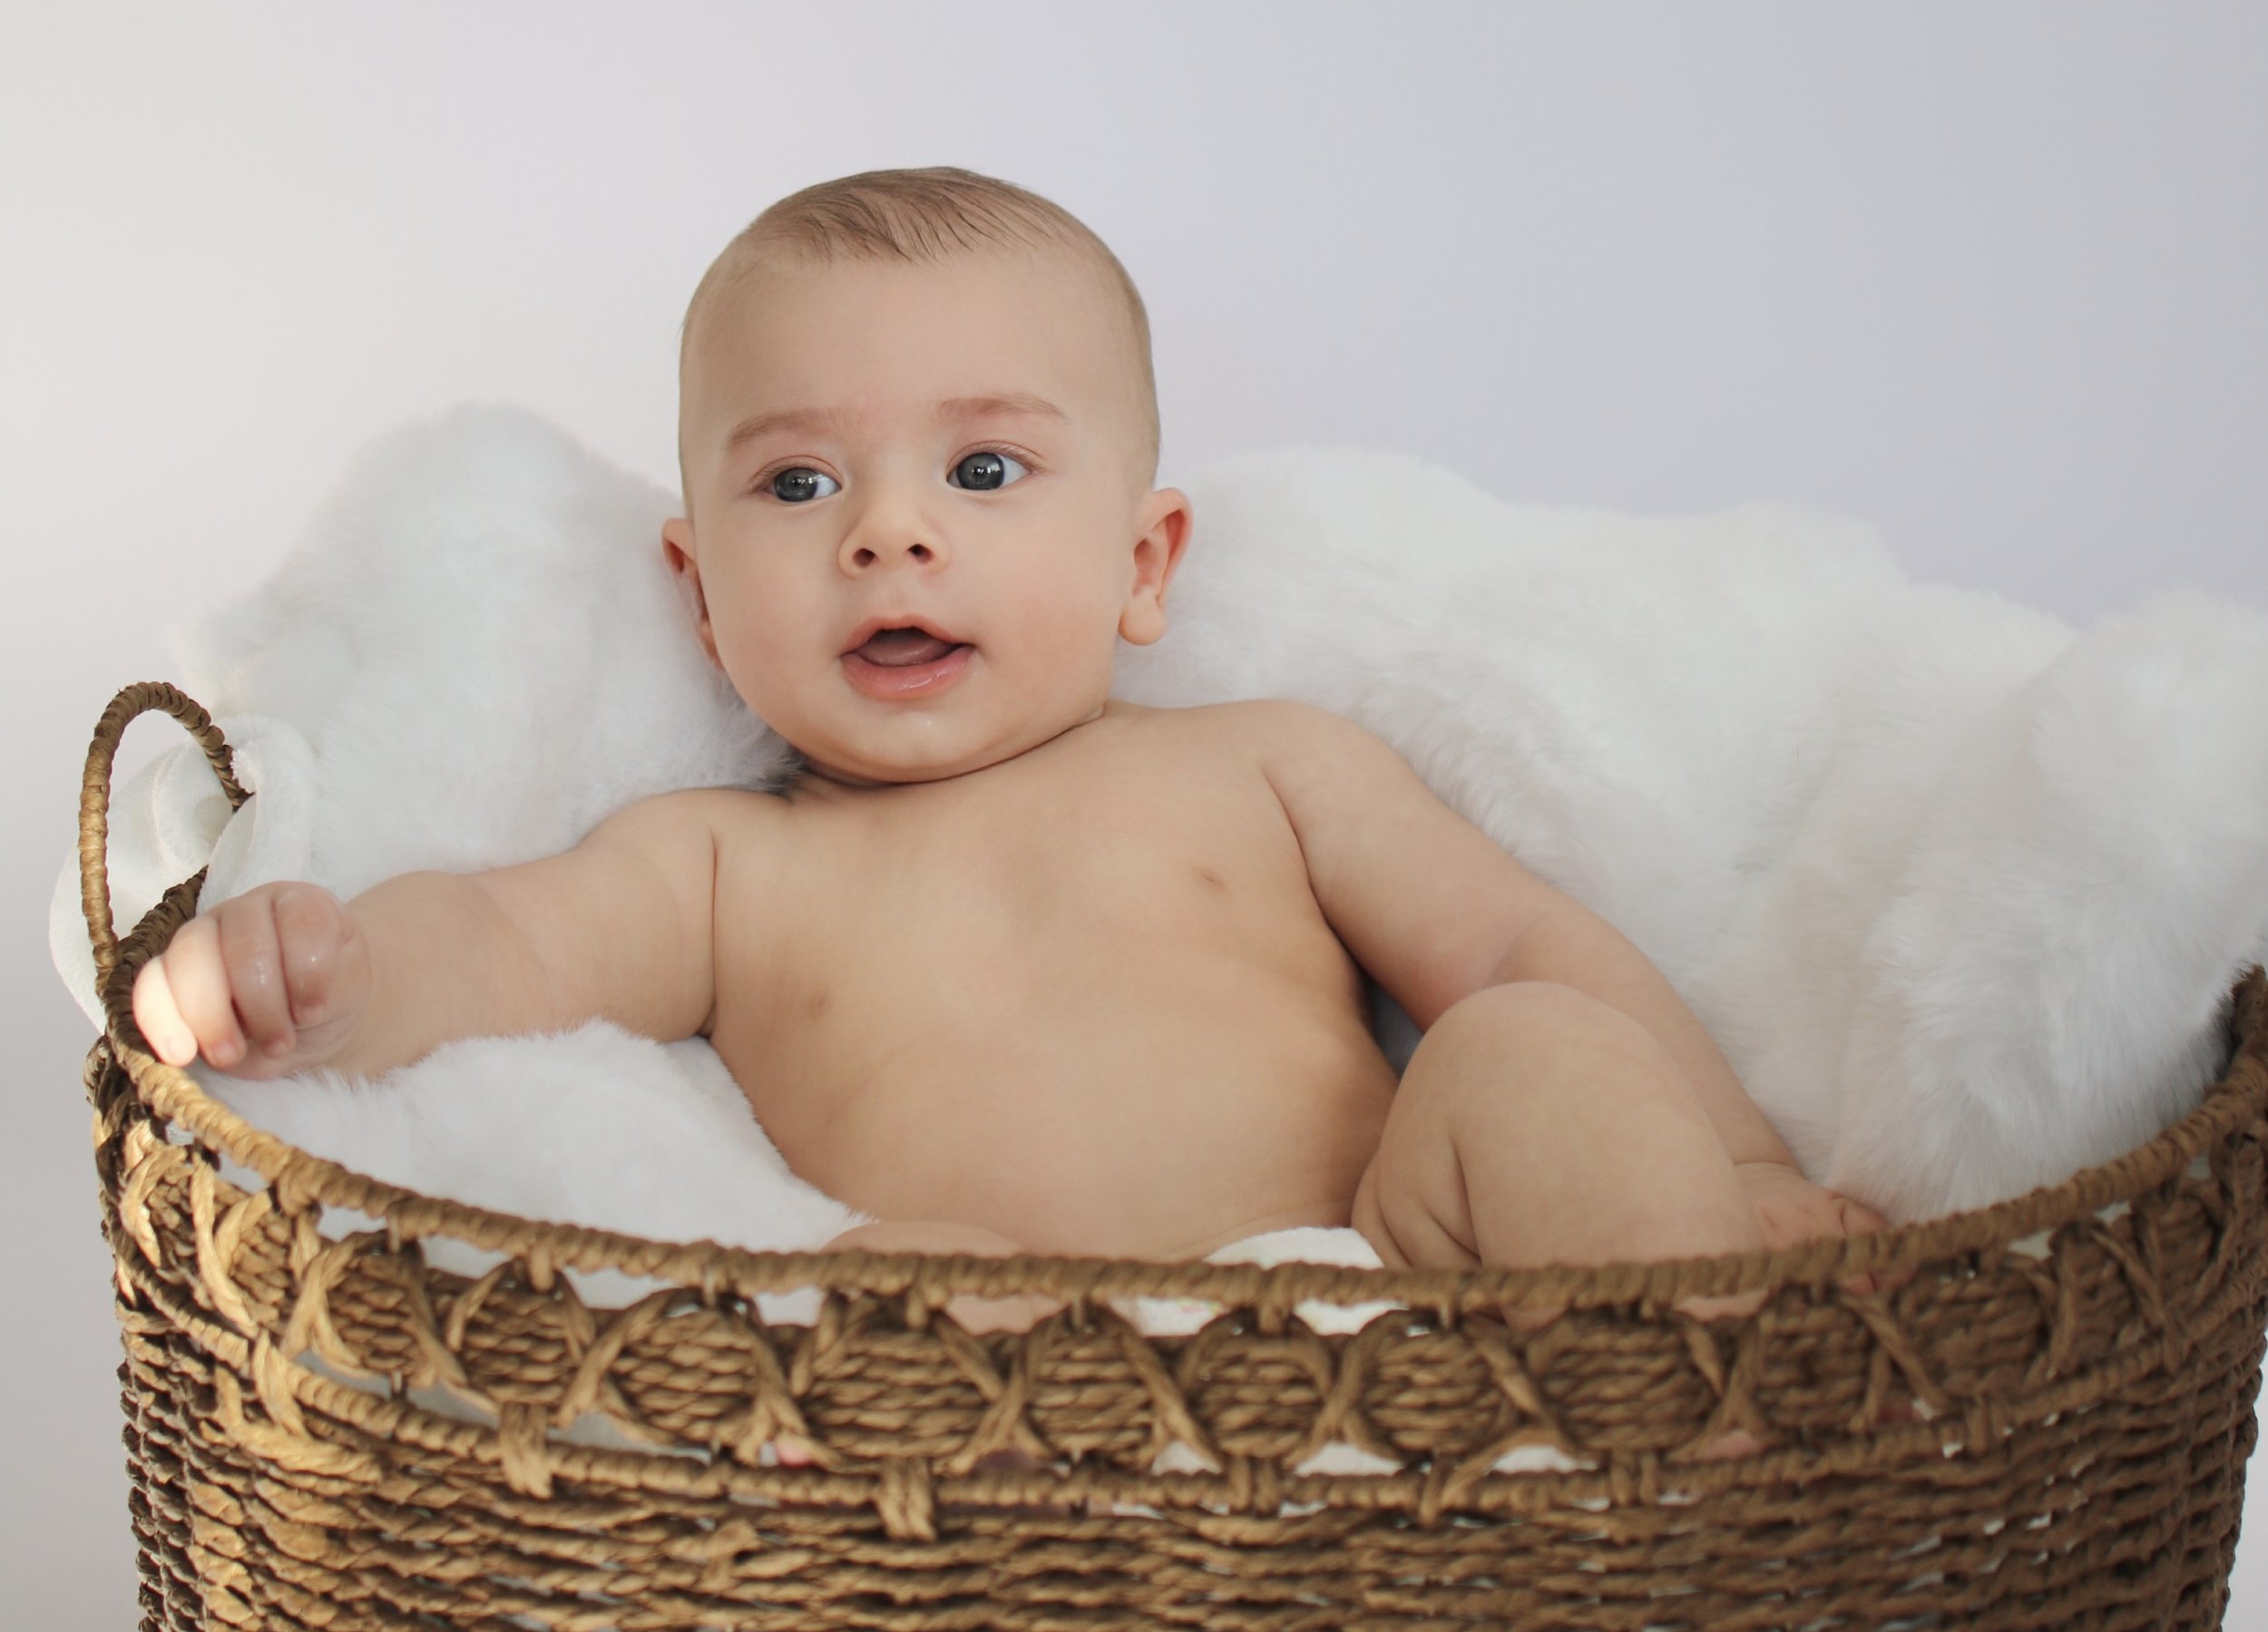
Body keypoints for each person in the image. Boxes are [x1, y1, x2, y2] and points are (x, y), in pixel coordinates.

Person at [132, 166, 1885, 1289]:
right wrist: (333, 972)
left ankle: (1705, 1404)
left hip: (1390, 1292)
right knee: (884, 1274)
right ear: (701, 596)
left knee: (1532, 1046)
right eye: (798, 481)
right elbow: (511, 945)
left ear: (1144, 560)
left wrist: (1735, 1163)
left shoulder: (1264, 766)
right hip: (1032, 1415)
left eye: (984, 467)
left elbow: (1516, 941)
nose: (888, 532)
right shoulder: (725, 864)